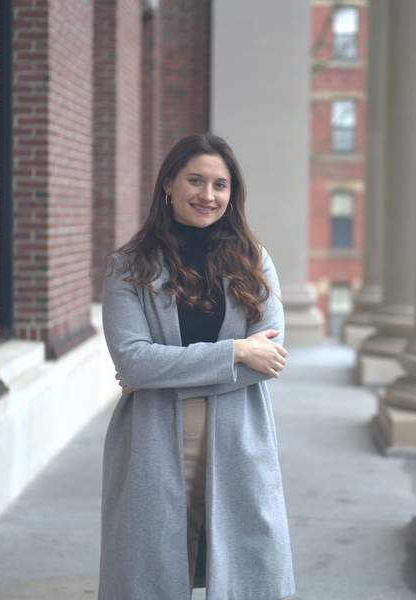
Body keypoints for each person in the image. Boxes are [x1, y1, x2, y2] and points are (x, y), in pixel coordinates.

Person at [98, 133, 295, 599]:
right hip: (154, 440)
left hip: (238, 438)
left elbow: (268, 358)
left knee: (247, 574)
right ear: (169, 184)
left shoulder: (254, 261)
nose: (208, 195)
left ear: (232, 194)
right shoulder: (128, 266)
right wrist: (234, 352)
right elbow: (133, 360)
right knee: (153, 574)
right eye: (195, 180)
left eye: (220, 185)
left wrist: (159, 370)